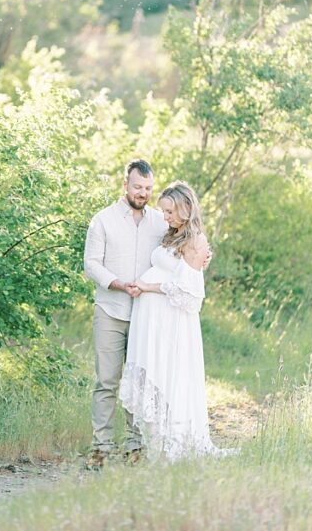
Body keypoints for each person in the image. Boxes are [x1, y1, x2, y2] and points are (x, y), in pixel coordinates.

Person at [118, 181, 221, 460]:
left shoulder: (195, 239)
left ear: (185, 208)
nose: (165, 217)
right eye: (163, 212)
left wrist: (147, 287)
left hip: (172, 320)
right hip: (152, 318)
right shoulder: (172, 233)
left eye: (169, 211)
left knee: (170, 373)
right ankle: (157, 440)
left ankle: (174, 441)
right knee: (156, 372)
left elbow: (190, 293)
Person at [82, 159, 168, 467]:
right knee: (107, 381)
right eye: (137, 187)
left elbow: (182, 245)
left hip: (146, 314)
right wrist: (117, 284)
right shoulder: (103, 220)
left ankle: (136, 446)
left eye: (147, 188)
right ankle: (100, 448)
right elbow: (91, 263)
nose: (142, 193)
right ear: (125, 185)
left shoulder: (160, 221)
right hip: (110, 310)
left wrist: (203, 255)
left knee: (139, 383)